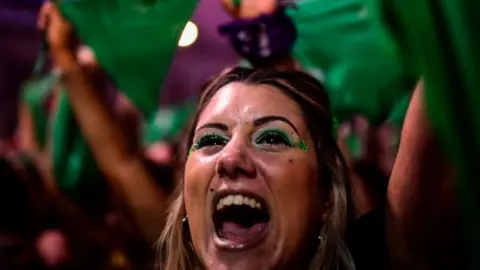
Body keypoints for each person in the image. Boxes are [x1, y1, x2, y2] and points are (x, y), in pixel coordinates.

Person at [41, 3, 464, 270]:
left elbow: (454, 66)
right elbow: (122, 166)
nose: (230, 157)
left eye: (272, 139)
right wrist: (65, 60)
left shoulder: (385, 254)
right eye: (209, 141)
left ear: (326, 199)